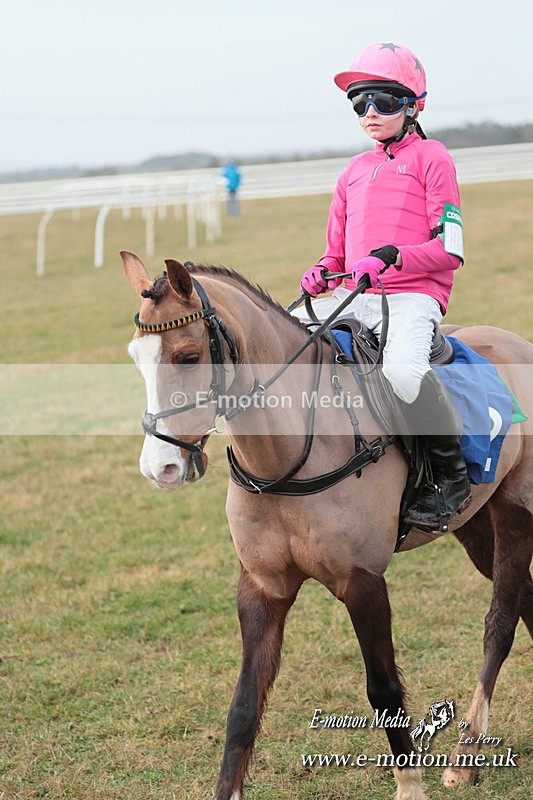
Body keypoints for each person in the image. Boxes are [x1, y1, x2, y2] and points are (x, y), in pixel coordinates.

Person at [295, 41, 471, 531]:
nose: (370, 113)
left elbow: (450, 248)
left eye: (384, 102)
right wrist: (321, 271)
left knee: (403, 373)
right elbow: (336, 253)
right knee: (282, 343)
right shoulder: (353, 170)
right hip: (354, 293)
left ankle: (450, 476)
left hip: (414, 296)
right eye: (360, 104)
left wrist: (393, 258)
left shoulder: (433, 158)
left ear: (414, 106)